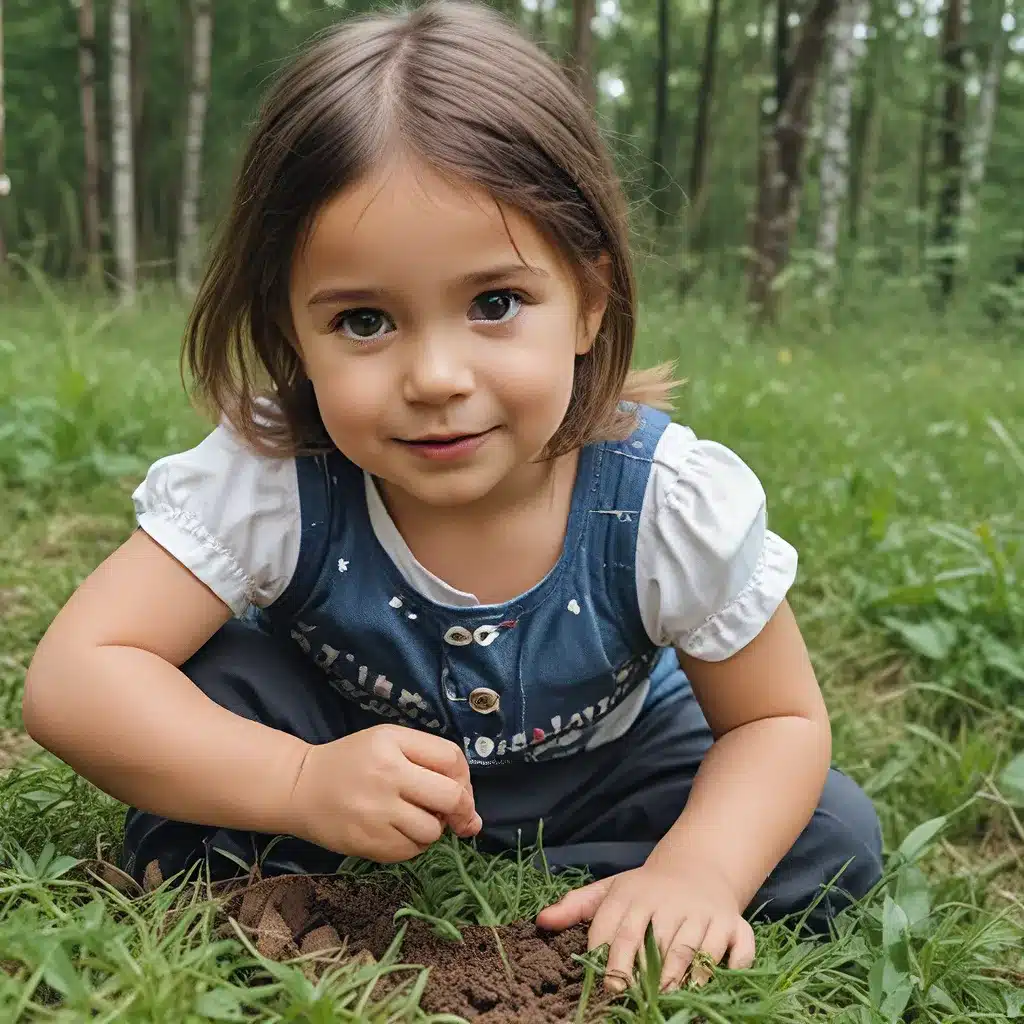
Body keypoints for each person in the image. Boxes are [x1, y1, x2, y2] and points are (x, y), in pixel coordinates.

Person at [23, 0, 883, 994]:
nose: (435, 375)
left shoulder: (662, 500)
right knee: (213, 685)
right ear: (290, 331)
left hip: (611, 767)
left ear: (588, 298)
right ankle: (303, 853)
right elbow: (77, 678)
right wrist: (299, 780)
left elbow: (776, 722)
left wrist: (701, 867)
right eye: (363, 319)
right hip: (340, 745)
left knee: (827, 828)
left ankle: (604, 897)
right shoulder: (273, 475)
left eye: (493, 304)